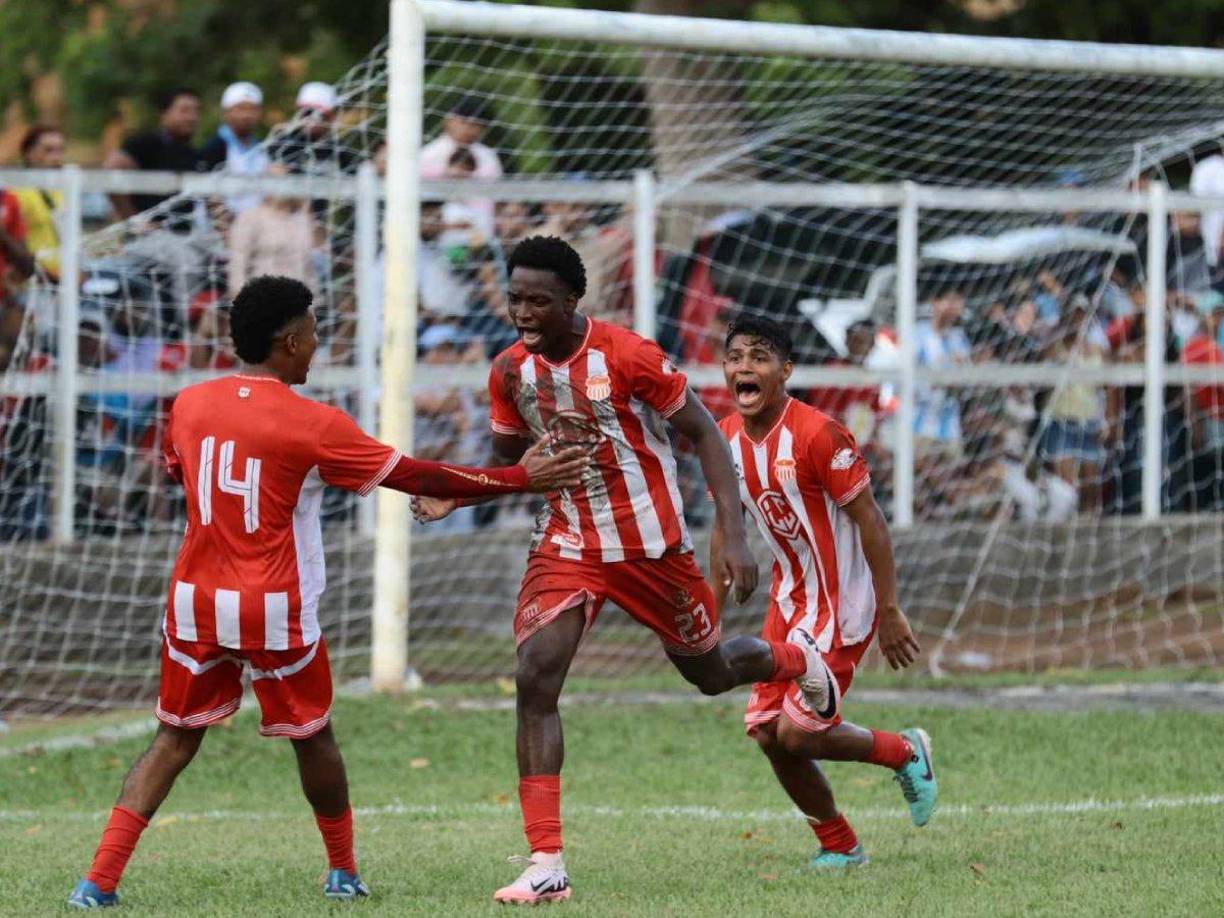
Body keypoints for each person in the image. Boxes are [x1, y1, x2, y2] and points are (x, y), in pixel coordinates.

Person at [66, 275, 588, 910]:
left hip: (194, 599)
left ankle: (97, 882)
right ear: (289, 341)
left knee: (173, 738)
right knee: (313, 736)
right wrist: (518, 476)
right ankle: (342, 872)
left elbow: (188, 473)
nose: (318, 344)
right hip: (273, 605)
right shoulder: (313, 423)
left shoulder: (190, 403)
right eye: (313, 333)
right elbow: (414, 474)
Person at [411, 236, 842, 905]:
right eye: (515, 297)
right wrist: (461, 489)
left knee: (711, 674)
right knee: (535, 678)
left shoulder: (629, 355)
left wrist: (732, 534)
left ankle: (796, 660)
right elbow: (511, 459)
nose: (523, 311)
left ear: (572, 301)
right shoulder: (509, 372)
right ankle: (546, 861)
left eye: (538, 301)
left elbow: (703, 431)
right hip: (567, 546)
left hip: (652, 549)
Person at [712, 315, 936, 868]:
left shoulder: (818, 433)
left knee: (800, 734)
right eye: (737, 356)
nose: (746, 366)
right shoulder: (726, 438)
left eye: (760, 357)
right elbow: (725, 526)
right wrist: (707, 620)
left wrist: (889, 609)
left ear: (785, 371)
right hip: (788, 604)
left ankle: (906, 753)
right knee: (768, 734)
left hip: (843, 605)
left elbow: (871, 521)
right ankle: (839, 845)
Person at [103, 87, 207, 221]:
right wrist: (132, 219)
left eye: (196, 111)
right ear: (164, 114)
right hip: (149, 236)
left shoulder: (194, 154)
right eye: (184, 111)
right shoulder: (147, 143)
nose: (192, 117)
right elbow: (111, 170)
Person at [227, 164, 320, 298]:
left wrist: (306, 207)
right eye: (273, 179)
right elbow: (237, 266)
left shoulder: (302, 219)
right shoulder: (250, 218)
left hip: (302, 303)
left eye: (285, 179)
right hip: (263, 300)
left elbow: (313, 262)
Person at [199, 82, 269, 215]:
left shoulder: (262, 150)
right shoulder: (215, 147)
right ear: (226, 112)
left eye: (252, 109)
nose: (247, 115)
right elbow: (208, 196)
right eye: (240, 108)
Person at [12, 125, 66, 281]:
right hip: (32, 283)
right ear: (29, 153)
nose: (56, 157)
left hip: (61, 280)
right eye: (48, 150)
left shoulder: (59, 190)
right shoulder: (17, 192)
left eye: (60, 150)